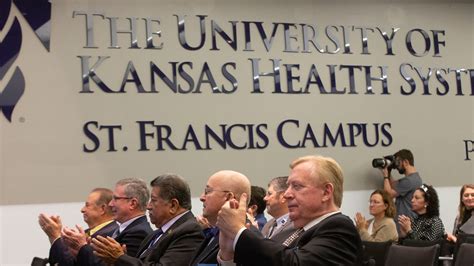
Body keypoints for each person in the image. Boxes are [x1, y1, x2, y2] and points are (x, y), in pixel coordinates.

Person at [217, 155, 363, 265]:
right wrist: (228, 255)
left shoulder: (339, 228)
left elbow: (294, 263)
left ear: (326, 192)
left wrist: (238, 231)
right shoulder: (300, 229)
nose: (287, 194)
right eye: (288, 186)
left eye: (297, 186)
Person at [91, 173, 204, 265]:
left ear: (173, 205)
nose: (148, 206)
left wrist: (120, 258)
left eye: (154, 200)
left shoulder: (189, 231)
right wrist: (121, 260)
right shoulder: (156, 234)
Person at [62, 178, 153, 265]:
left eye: (116, 199)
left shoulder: (138, 232)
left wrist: (83, 247)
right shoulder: (125, 229)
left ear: (132, 203)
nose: (110, 204)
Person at [38, 188, 118, 265]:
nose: (82, 210)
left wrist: (55, 235)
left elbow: (70, 263)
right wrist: (55, 238)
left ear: (102, 208)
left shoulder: (109, 236)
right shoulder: (86, 233)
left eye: (87, 205)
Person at [189, 170, 251, 266]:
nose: (202, 197)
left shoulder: (245, 238)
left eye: (207, 191)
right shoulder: (213, 232)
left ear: (229, 197)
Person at [381, 149, 422, 230]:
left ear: (406, 162)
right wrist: (389, 170)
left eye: (398, 162)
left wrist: (385, 175)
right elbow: (393, 186)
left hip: (404, 225)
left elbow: (388, 195)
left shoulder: (408, 181)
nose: (396, 166)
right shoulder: (415, 178)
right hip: (407, 223)